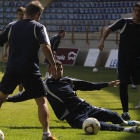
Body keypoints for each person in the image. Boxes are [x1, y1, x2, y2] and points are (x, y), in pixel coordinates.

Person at [6, 60, 140, 133]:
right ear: (50, 70)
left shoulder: (68, 81)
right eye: (56, 69)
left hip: (85, 107)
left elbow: (88, 85)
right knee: (95, 124)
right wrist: (6, 99)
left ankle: (125, 122)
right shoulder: (44, 85)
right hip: (73, 116)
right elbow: (25, 95)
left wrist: (107, 84)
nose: (59, 71)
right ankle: (126, 129)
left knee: (112, 115)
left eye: (61, 69)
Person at [0, 1, 57, 140]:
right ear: (37, 14)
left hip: (12, 68)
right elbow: (45, 46)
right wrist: (53, 64)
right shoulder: (39, 26)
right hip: (30, 69)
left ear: (25, 13)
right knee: (41, 101)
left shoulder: (11, 26)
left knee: (0, 98)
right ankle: (46, 134)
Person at [98, 2, 140, 121]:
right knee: (123, 85)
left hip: (138, 60)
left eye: (139, 11)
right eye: (135, 10)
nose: (137, 12)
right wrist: (102, 41)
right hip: (124, 61)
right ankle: (126, 112)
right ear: (133, 11)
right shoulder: (124, 22)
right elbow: (108, 29)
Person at [3, 7, 26, 95]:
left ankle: (20, 92)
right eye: (19, 14)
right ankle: (4, 93)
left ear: (25, 15)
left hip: (23, 54)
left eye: (22, 14)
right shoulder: (12, 25)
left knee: (22, 74)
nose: (21, 16)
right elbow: (7, 40)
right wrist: (5, 51)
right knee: (10, 73)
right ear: (16, 15)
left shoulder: (28, 25)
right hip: (12, 54)